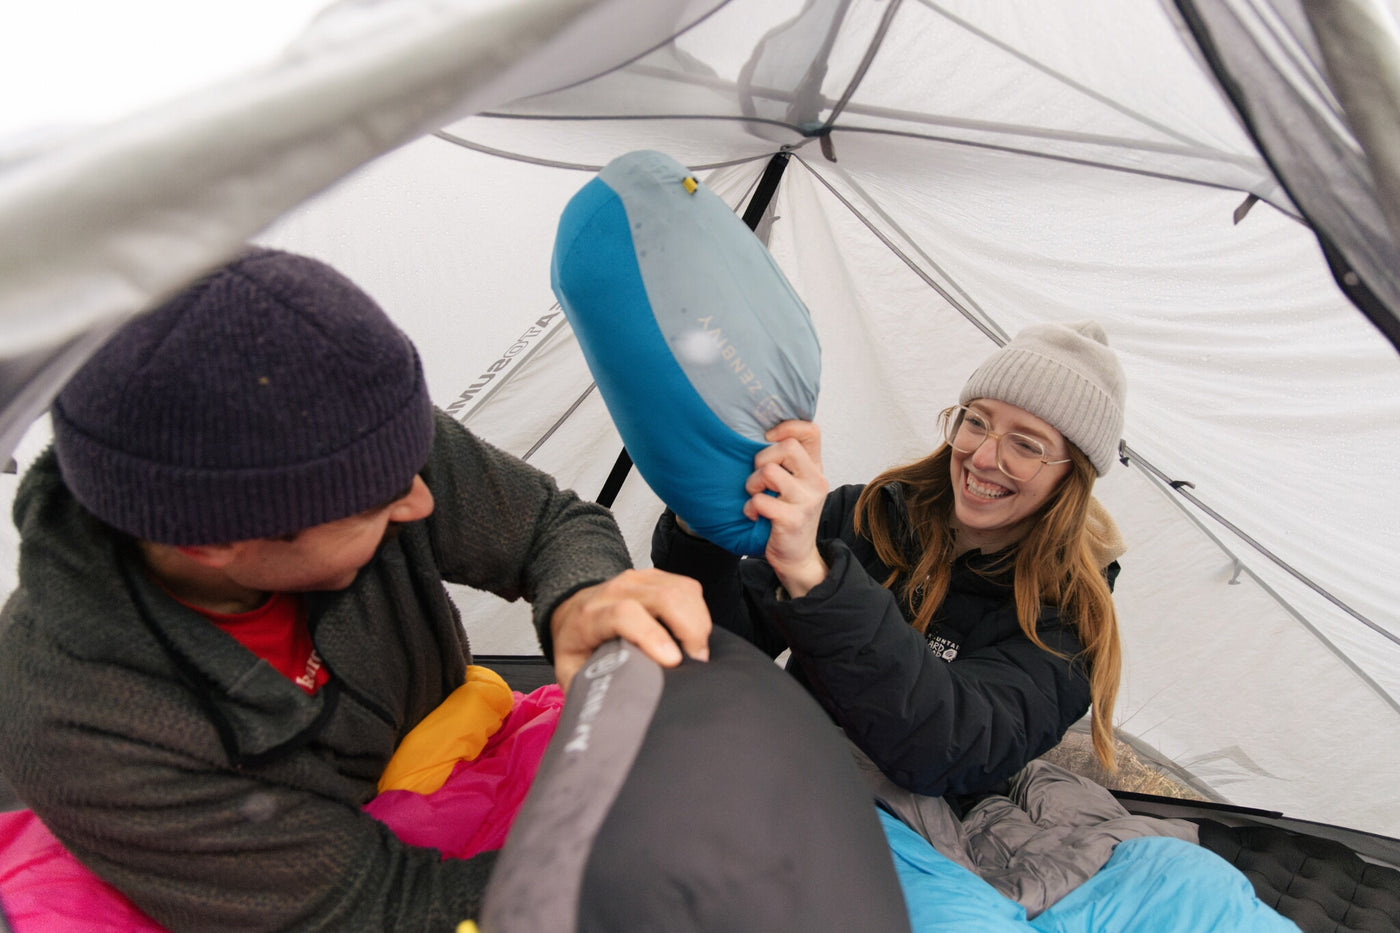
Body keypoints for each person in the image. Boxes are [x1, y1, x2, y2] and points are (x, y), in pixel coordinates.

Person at [0, 246, 711, 932]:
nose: (420, 504)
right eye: (376, 506)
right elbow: (373, 911)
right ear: (210, 545)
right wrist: (640, 879)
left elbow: (546, 526)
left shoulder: (354, 440)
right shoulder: (78, 718)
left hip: (445, 771)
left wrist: (583, 594)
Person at [652, 319, 1127, 799]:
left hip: (905, 843)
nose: (983, 457)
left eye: (1026, 445)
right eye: (977, 421)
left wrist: (813, 578)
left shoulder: (1070, 622)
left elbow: (947, 747)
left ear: (1073, 477)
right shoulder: (869, 513)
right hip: (774, 771)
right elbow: (722, 641)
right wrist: (702, 525)